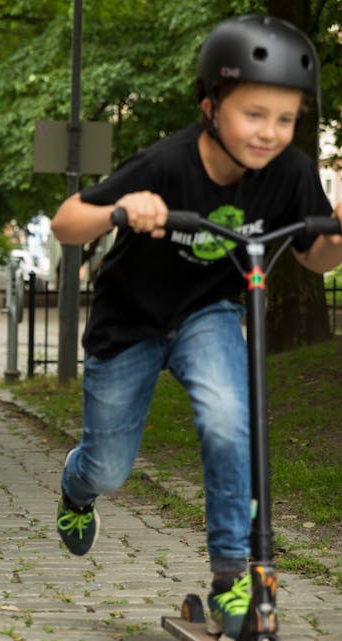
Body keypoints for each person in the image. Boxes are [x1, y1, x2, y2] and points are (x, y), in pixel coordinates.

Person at [50, 14, 342, 639]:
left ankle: (233, 574)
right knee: (109, 471)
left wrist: (340, 229)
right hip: (127, 323)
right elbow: (66, 222)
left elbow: (316, 256)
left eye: (286, 118)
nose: (270, 133)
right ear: (211, 106)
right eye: (254, 113)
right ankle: (77, 488)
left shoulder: (289, 173)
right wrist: (122, 210)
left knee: (228, 419)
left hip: (208, 313)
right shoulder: (167, 162)